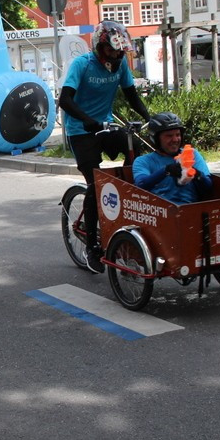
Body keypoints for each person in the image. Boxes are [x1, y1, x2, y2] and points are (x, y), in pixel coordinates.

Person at [57, 20, 153, 272]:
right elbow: (65, 100)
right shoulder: (82, 64)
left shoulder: (120, 66)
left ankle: (127, 190)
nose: (118, 55)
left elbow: (132, 95)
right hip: (81, 130)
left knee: (136, 151)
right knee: (94, 184)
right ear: (100, 48)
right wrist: (87, 121)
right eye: (113, 50)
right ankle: (91, 247)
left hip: (106, 126)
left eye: (121, 51)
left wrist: (150, 119)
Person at [130, 112, 213, 204]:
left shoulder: (192, 154)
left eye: (177, 135)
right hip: (159, 212)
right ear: (156, 139)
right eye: (169, 136)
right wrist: (166, 171)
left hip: (189, 209)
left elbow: (208, 186)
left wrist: (195, 174)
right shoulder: (143, 161)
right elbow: (141, 185)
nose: (175, 139)